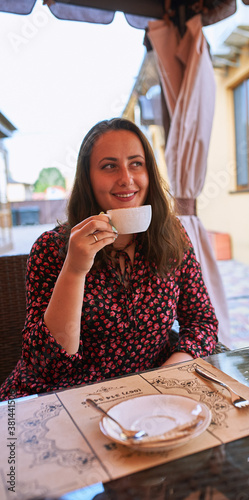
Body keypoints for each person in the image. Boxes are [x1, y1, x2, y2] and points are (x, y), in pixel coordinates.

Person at [0, 118, 218, 401]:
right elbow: (47, 366)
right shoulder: (51, 249)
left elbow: (202, 323)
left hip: (148, 397)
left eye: (136, 163)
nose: (126, 178)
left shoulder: (171, 237)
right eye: (109, 166)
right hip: (62, 399)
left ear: (149, 172)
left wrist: (166, 377)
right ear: (88, 178)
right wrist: (75, 269)